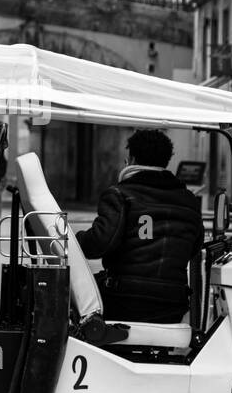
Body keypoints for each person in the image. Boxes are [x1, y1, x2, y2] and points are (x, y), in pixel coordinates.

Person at [73, 128, 204, 344]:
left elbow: (97, 244)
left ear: (131, 159)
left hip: (124, 300)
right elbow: (193, 248)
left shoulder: (119, 195)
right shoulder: (189, 201)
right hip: (173, 304)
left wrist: (74, 238)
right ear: (166, 162)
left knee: (72, 294)